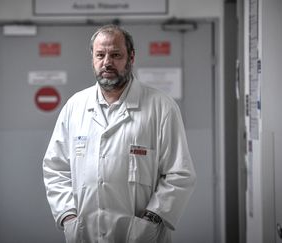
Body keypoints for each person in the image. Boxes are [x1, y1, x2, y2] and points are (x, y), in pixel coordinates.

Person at [42, 24, 196, 243]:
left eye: (116, 55)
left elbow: (180, 173)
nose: (107, 62)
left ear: (131, 57)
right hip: (85, 234)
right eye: (100, 55)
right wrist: (68, 216)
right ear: (92, 59)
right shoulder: (75, 107)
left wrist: (152, 219)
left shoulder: (161, 107)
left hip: (142, 236)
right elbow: (55, 168)